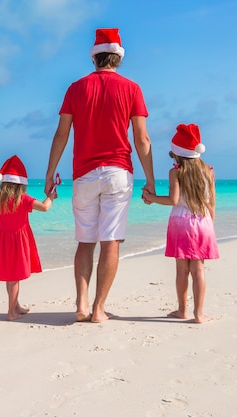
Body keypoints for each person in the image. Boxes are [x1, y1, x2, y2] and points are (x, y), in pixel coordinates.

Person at [45, 27, 155, 323]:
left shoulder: (75, 88)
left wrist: (49, 172)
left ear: (94, 58)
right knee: (111, 242)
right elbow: (142, 140)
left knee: (85, 242)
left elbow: (61, 135)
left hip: (83, 175)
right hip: (118, 172)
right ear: (118, 58)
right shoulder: (132, 89)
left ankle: (81, 304)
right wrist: (152, 181)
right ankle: (98, 308)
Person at [143, 123, 219, 323]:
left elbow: (173, 200)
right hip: (203, 223)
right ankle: (199, 314)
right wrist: (211, 225)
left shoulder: (176, 172)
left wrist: (151, 197)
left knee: (182, 270)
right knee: (199, 270)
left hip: (181, 224)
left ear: (177, 154)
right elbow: (211, 202)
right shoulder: (209, 171)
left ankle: (182, 310)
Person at [0, 155, 55, 320]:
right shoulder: (23, 199)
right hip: (18, 241)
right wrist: (51, 197)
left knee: (10, 276)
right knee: (14, 277)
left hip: (3, 241)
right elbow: (45, 207)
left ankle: (16, 306)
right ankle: (11, 312)